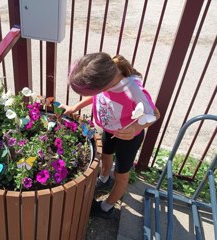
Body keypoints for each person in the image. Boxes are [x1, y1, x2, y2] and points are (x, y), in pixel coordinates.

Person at [61, 53, 160, 219]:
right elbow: (96, 96)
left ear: (104, 86)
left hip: (128, 138)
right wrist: (75, 107)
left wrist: (135, 127)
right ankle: (104, 179)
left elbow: (155, 114)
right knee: (106, 157)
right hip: (110, 130)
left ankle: (107, 207)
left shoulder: (133, 90)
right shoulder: (106, 77)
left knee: (121, 175)